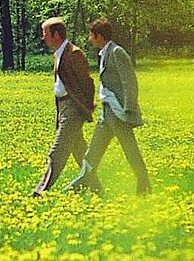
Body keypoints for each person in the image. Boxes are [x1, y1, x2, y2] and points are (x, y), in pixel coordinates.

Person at [68, 19, 151, 195]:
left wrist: (129, 109)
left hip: (118, 112)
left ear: (99, 36)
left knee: (130, 151)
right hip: (107, 112)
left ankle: (144, 186)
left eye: (91, 35)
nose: (89, 39)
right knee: (94, 153)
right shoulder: (105, 52)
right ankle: (77, 187)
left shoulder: (116, 52)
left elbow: (129, 81)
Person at [34, 16, 97, 195]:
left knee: (57, 151)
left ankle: (40, 192)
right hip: (63, 107)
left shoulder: (74, 53)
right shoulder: (58, 53)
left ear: (56, 35)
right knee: (80, 152)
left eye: (45, 33)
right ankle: (97, 188)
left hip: (73, 108)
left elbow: (87, 83)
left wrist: (85, 107)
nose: (42, 38)